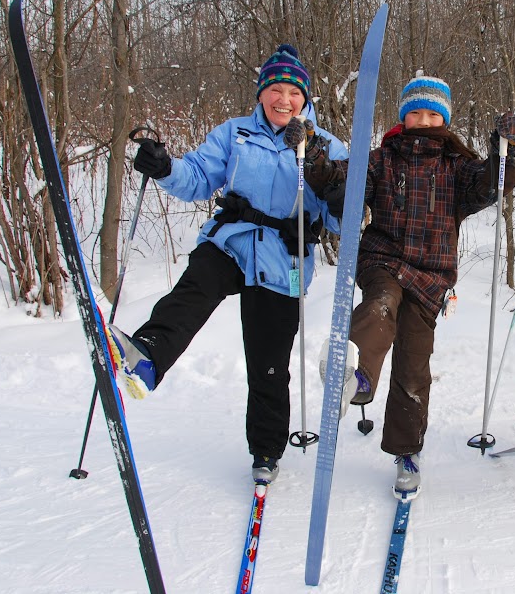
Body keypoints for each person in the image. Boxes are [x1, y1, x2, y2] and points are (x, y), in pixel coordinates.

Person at [107, 44, 348, 485]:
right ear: (260, 94)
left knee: (268, 363)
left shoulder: (326, 144)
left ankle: (266, 451)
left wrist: (333, 189)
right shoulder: (235, 133)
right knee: (194, 289)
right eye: (274, 89)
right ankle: (147, 357)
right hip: (233, 241)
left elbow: (341, 217)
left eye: (293, 92)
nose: (283, 100)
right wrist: (163, 168)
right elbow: (198, 177)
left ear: (305, 98)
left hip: (283, 261)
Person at [301, 72, 515, 495]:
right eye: (415, 113)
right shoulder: (382, 159)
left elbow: (492, 185)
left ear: (443, 119)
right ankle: (356, 376)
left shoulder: (457, 166)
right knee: (380, 305)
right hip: (383, 259)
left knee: (413, 366)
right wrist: (312, 154)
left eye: (431, 114)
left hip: (430, 276)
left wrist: (507, 150)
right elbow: (338, 182)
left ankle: (406, 450)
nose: (423, 121)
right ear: (403, 117)